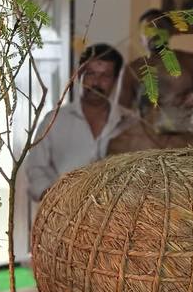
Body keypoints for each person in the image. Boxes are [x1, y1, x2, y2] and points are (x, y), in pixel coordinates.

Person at [24, 43, 125, 206]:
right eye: (91, 74)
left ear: (116, 80)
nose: (97, 82)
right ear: (79, 75)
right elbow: (35, 168)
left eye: (105, 76)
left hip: (117, 219)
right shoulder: (54, 119)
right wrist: (57, 200)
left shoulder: (128, 122)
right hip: (62, 217)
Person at [117, 8, 193, 128]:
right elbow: (122, 113)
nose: (155, 33)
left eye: (160, 27)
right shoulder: (131, 70)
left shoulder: (190, 62)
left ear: (170, 32)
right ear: (140, 37)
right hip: (148, 138)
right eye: (148, 29)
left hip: (183, 136)